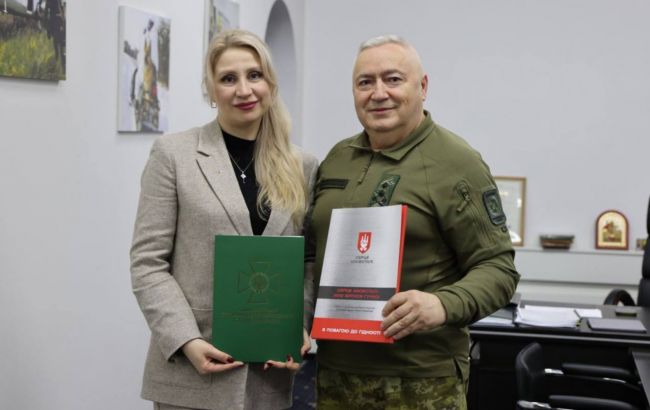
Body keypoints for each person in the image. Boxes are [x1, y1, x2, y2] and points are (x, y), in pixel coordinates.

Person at [308, 35, 520, 409]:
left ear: (422, 87)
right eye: (365, 82)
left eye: (393, 79)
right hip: (334, 372)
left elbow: (498, 268)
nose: (378, 94)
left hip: (420, 380)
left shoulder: (457, 163)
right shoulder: (338, 158)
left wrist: (442, 304)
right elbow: (311, 253)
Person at [130, 29, 318, 410]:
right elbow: (147, 263)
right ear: (211, 90)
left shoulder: (303, 165)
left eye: (254, 75)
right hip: (193, 372)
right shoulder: (173, 155)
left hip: (269, 377)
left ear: (270, 83)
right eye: (228, 79)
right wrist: (186, 340)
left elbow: (308, 261)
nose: (244, 90)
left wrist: (296, 325)